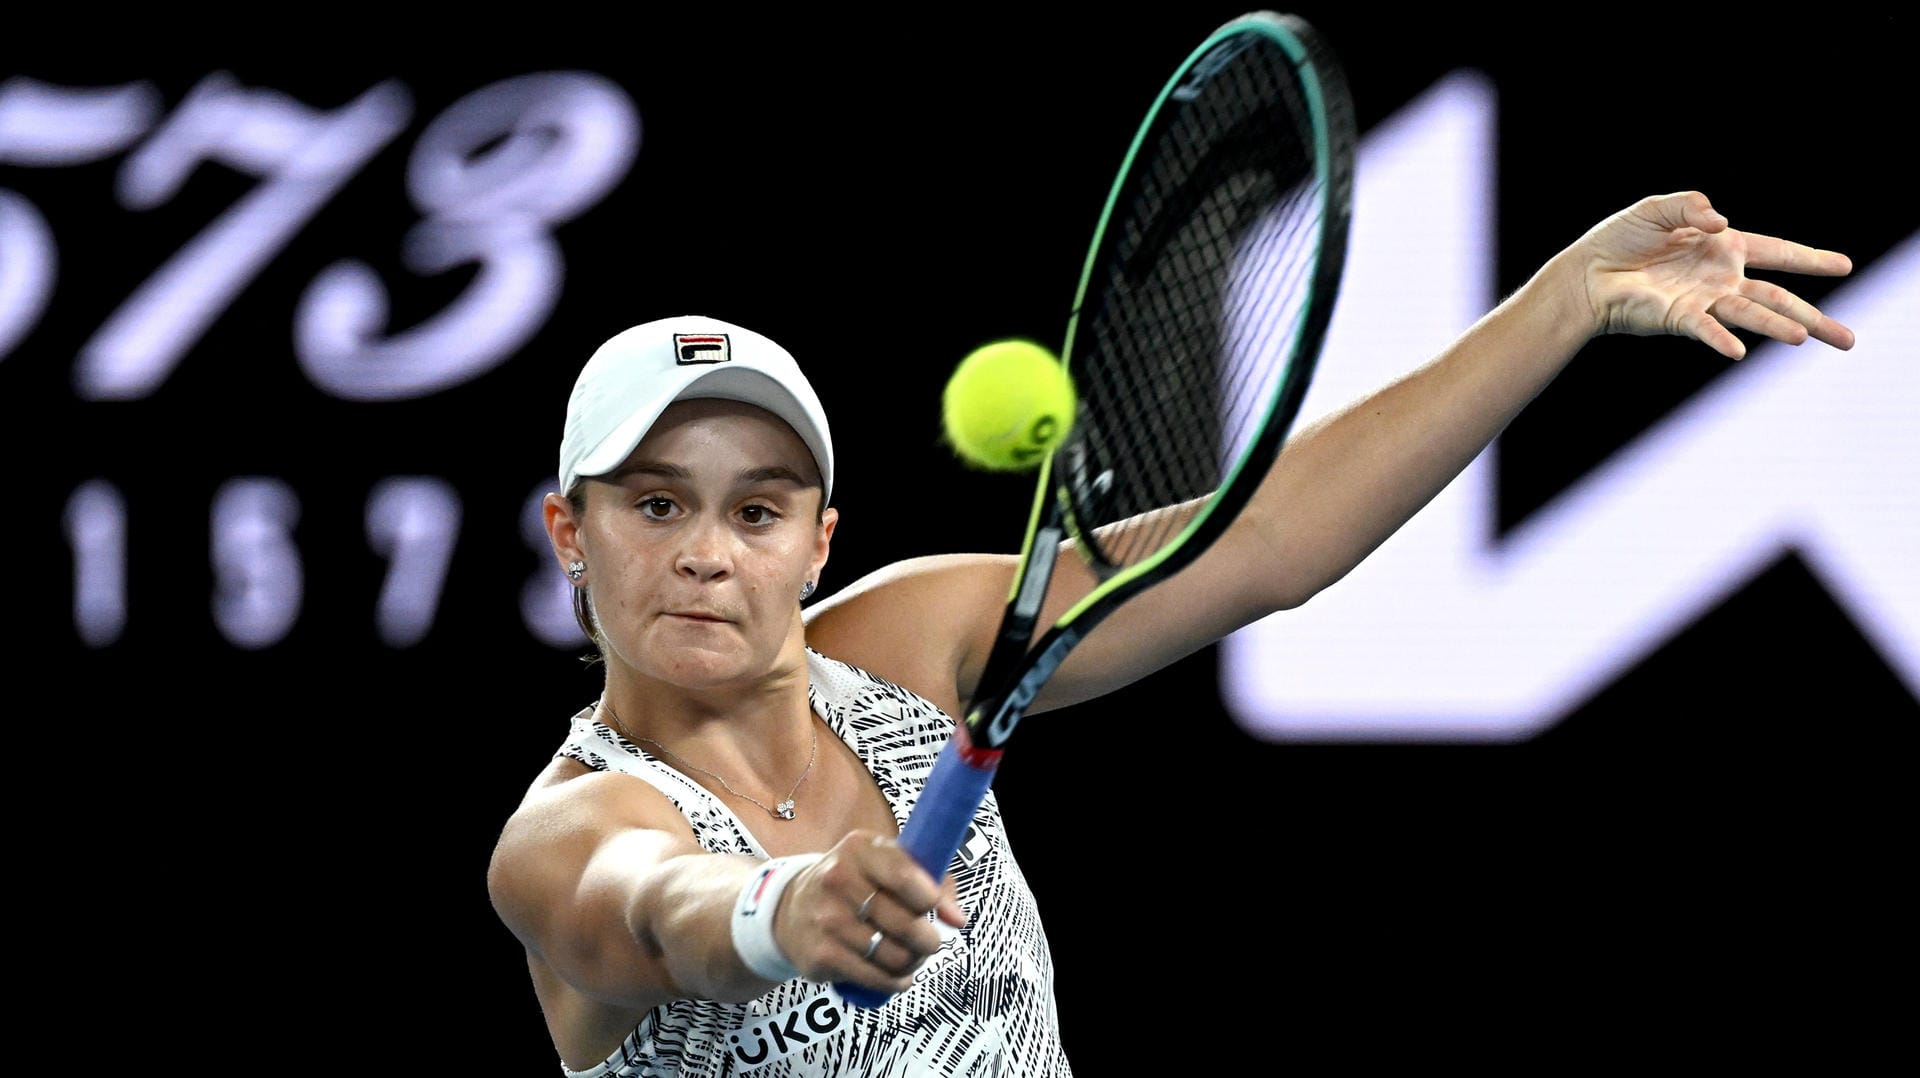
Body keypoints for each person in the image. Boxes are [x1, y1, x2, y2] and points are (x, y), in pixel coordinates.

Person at [486, 190, 1855, 1076]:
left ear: (818, 541)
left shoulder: (904, 648)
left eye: (759, 509)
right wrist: (784, 906)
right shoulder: (567, 829)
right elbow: (656, 915)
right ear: (570, 531)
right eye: (656, 503)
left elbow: (1260, 544)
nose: (709, 552)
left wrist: (1565, 299)